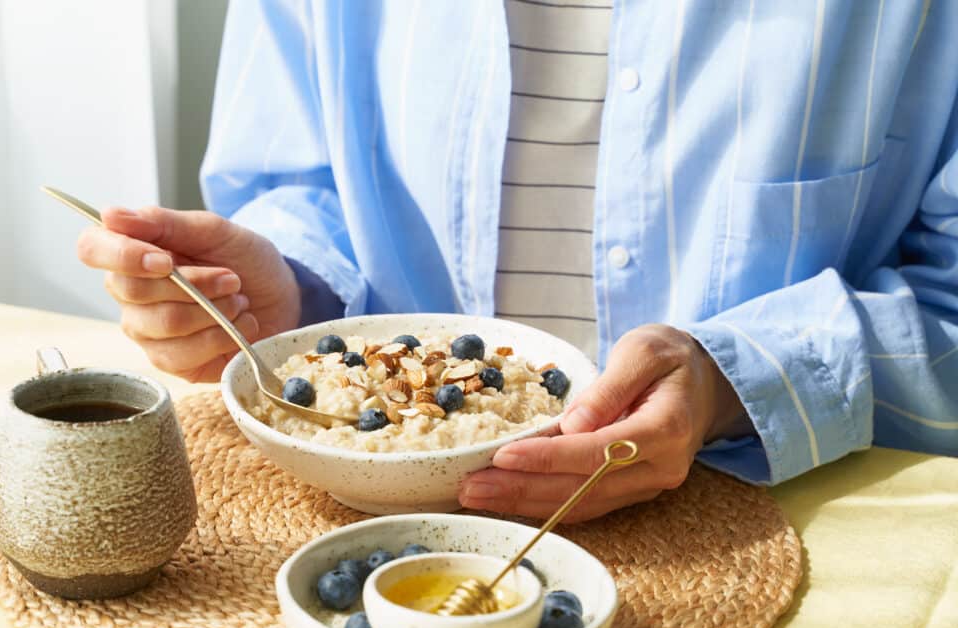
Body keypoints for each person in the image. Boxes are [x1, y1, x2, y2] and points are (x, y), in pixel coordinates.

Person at [76, 1, 958, 522]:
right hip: (386, 511)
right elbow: (300, 175)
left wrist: (735, 384)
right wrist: (291, 293)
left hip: (792, 508)